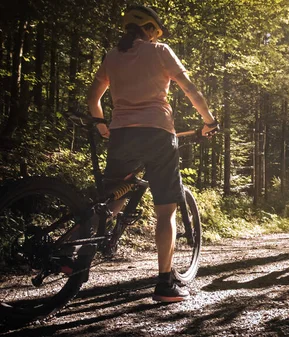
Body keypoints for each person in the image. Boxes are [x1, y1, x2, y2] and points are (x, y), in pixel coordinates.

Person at [86, 5, 218, 302]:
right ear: (149, 29)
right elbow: (189, 89)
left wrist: (102, 127)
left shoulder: (112, 56)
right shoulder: (160, 51)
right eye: (154, 31)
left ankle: (74, 253)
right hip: (157, 133)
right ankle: (164, 284)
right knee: (165, 210)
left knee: (111, 198)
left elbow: (92, 99)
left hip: (121, 134)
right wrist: (209, 120)